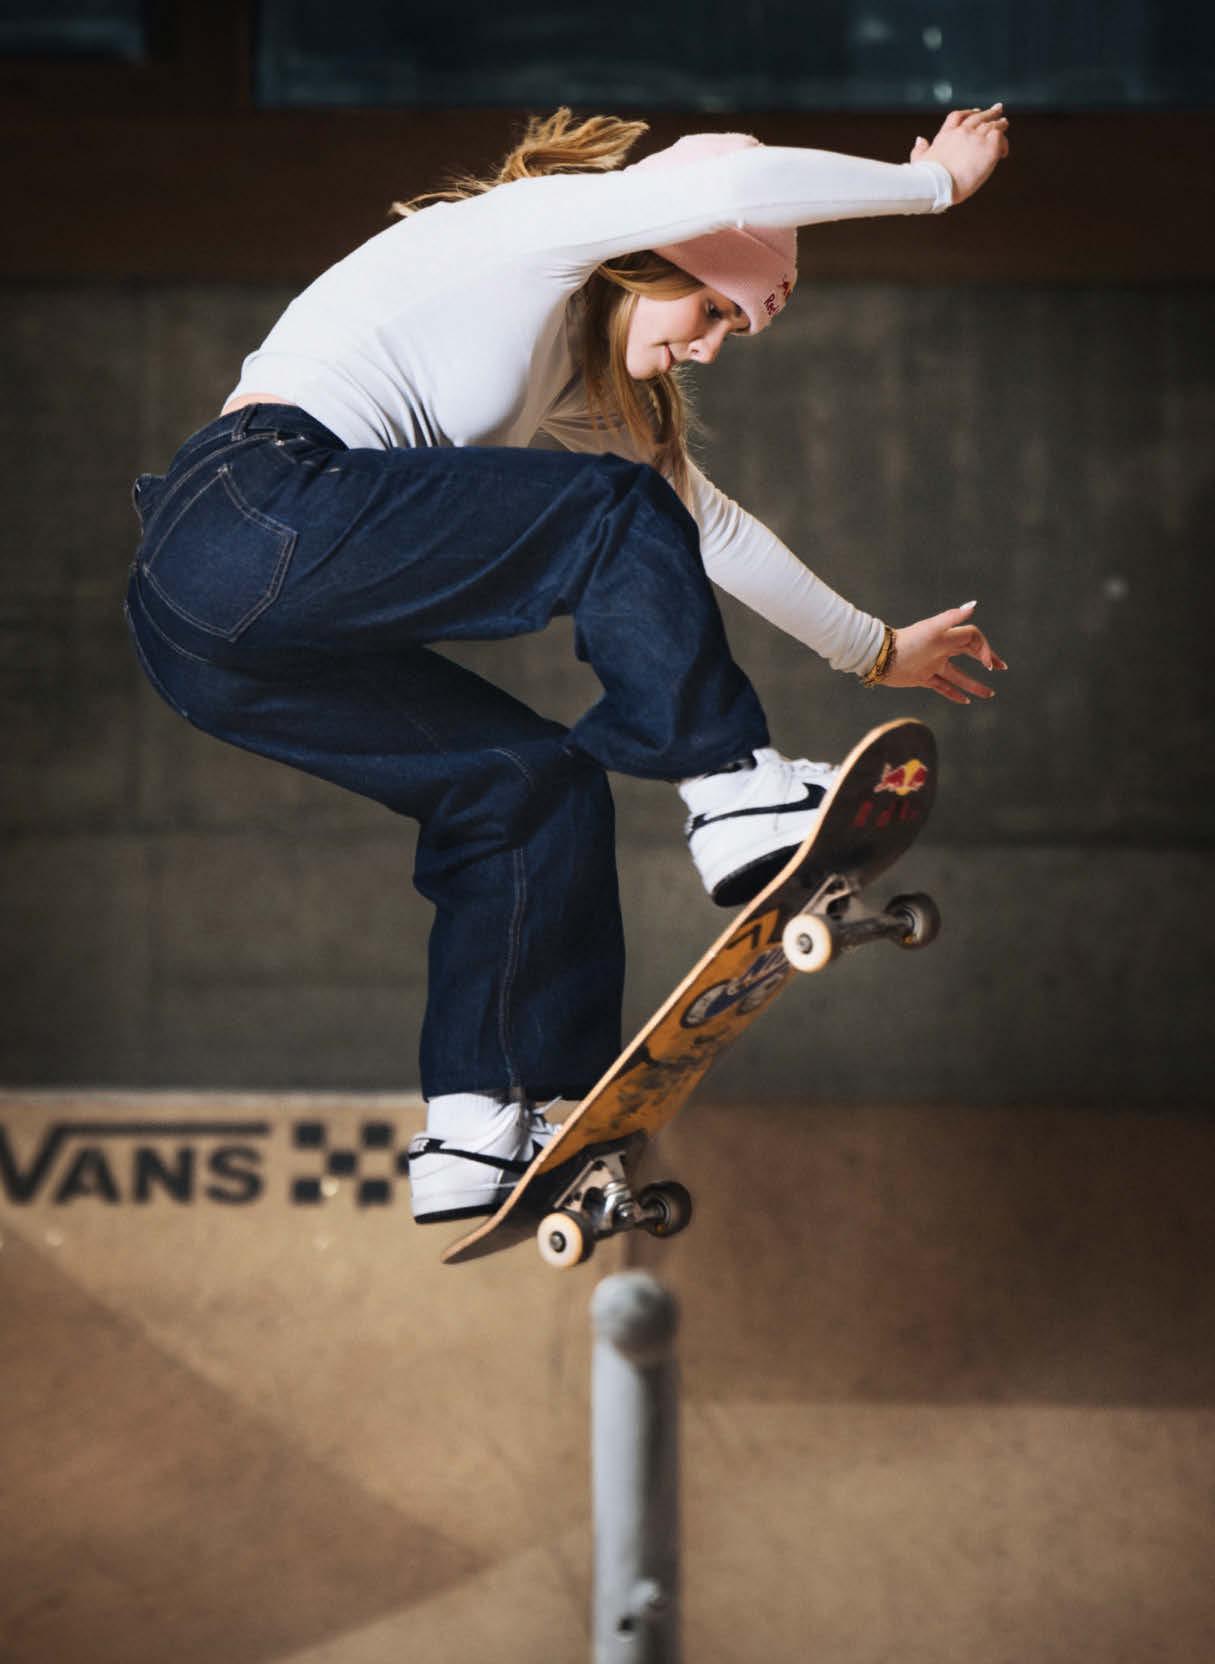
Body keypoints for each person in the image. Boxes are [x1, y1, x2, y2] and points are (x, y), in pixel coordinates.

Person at [124, 103, 1009, 1225]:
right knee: (611, 513)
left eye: (733, 331)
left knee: (524, 786)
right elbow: (725, 190)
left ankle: (479, 1121)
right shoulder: (538, 228)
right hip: (251, 508)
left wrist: (874, 649)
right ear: (658, 254)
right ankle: (733, 793)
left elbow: (709, 531)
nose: (708, 346)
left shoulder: (584, 399)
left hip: (215, 640)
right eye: (711, 309)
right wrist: (930, 186)